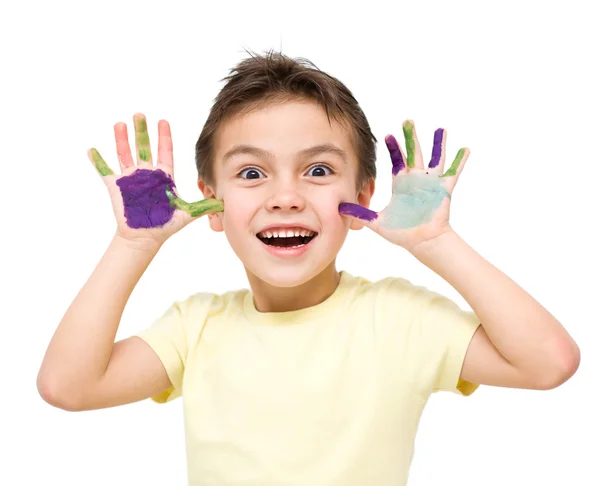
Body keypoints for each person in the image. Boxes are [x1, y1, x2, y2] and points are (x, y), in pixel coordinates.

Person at [37, 49, 580, 485]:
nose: (286, 196)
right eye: (251, 173)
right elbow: (68, 386)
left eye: (318, 169)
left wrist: (435, 241)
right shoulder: (195, 329)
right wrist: (132, 245)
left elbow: (548, 363)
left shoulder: (398, 318)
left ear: (364, 193)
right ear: (211, 201)